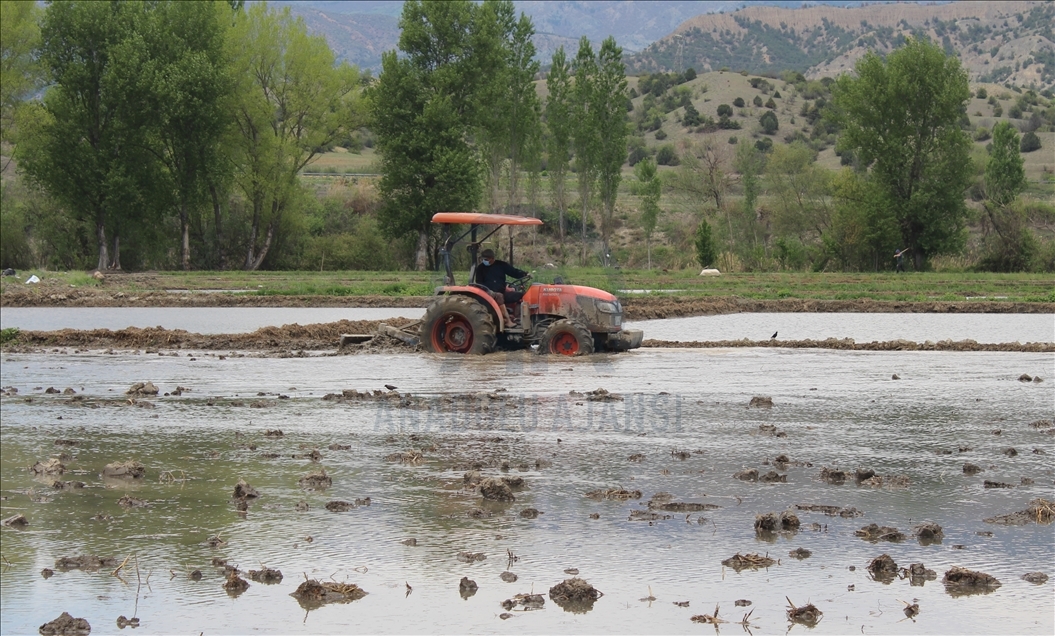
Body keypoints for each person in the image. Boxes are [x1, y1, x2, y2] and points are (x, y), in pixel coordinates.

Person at [474, 248, 527, 325]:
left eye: (486, 259)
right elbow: (479, 282)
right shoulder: (480, 268)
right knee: (499, 296)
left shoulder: (501, 265)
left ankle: (518, 318)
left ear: (492, 258)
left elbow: (513, 272)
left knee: (521, 295)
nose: (484, 261)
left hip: (501, 291)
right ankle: (507, 321)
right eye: (483, 259)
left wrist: (524, 274)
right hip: (488, 292)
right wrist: (488, 291)